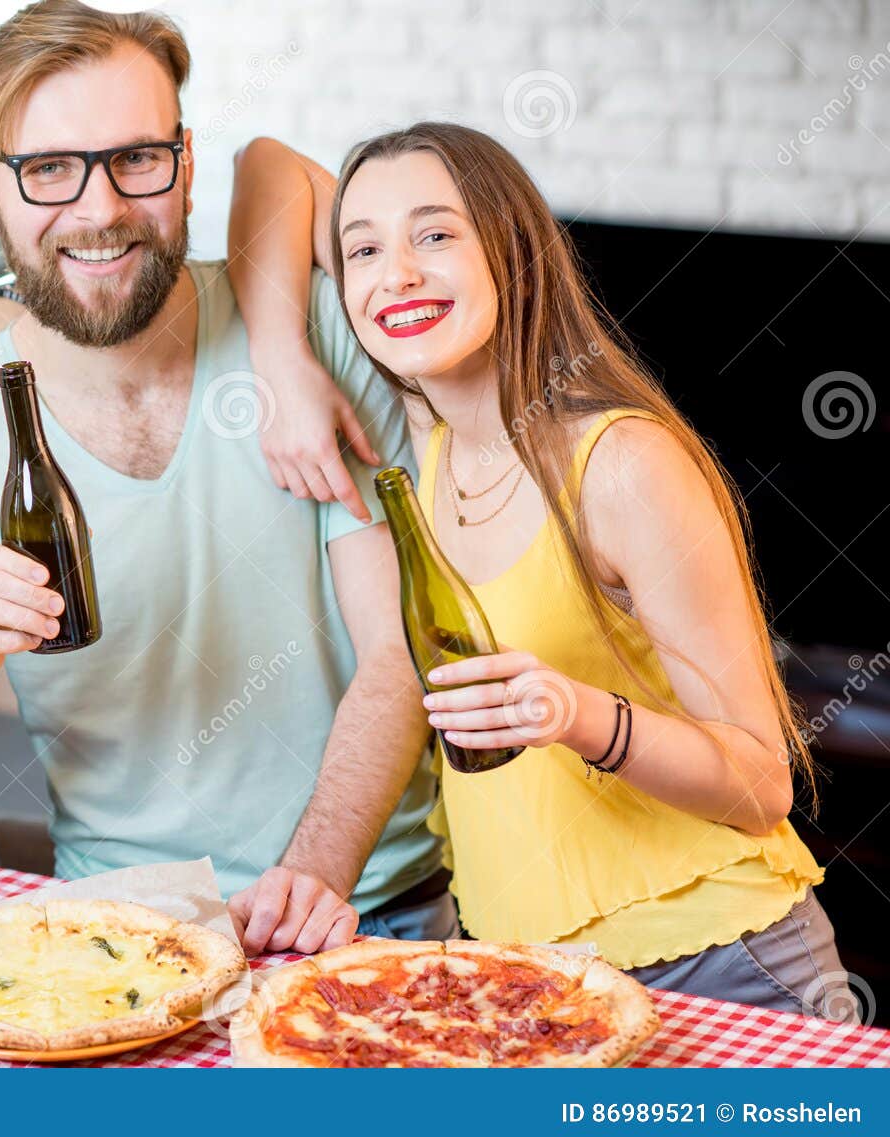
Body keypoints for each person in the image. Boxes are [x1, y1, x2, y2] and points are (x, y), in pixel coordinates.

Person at [0, 0, 451, 957]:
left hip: (369, 914)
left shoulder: (308, 337)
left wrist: (312, 879)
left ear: (186, 163)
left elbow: (399, 654)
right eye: (47, 169)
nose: (99, 208)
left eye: (136, 158)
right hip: (118, 934)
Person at [230, 123, 857, 1019]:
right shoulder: (431, 446)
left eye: (437, 234)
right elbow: (269, 164)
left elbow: (764, 783)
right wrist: (281, 362)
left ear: (514, 254)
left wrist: (576, 714)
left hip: (718, 961)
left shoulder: (623, 463)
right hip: (534, 977)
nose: (394, 273)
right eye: (363, 250)